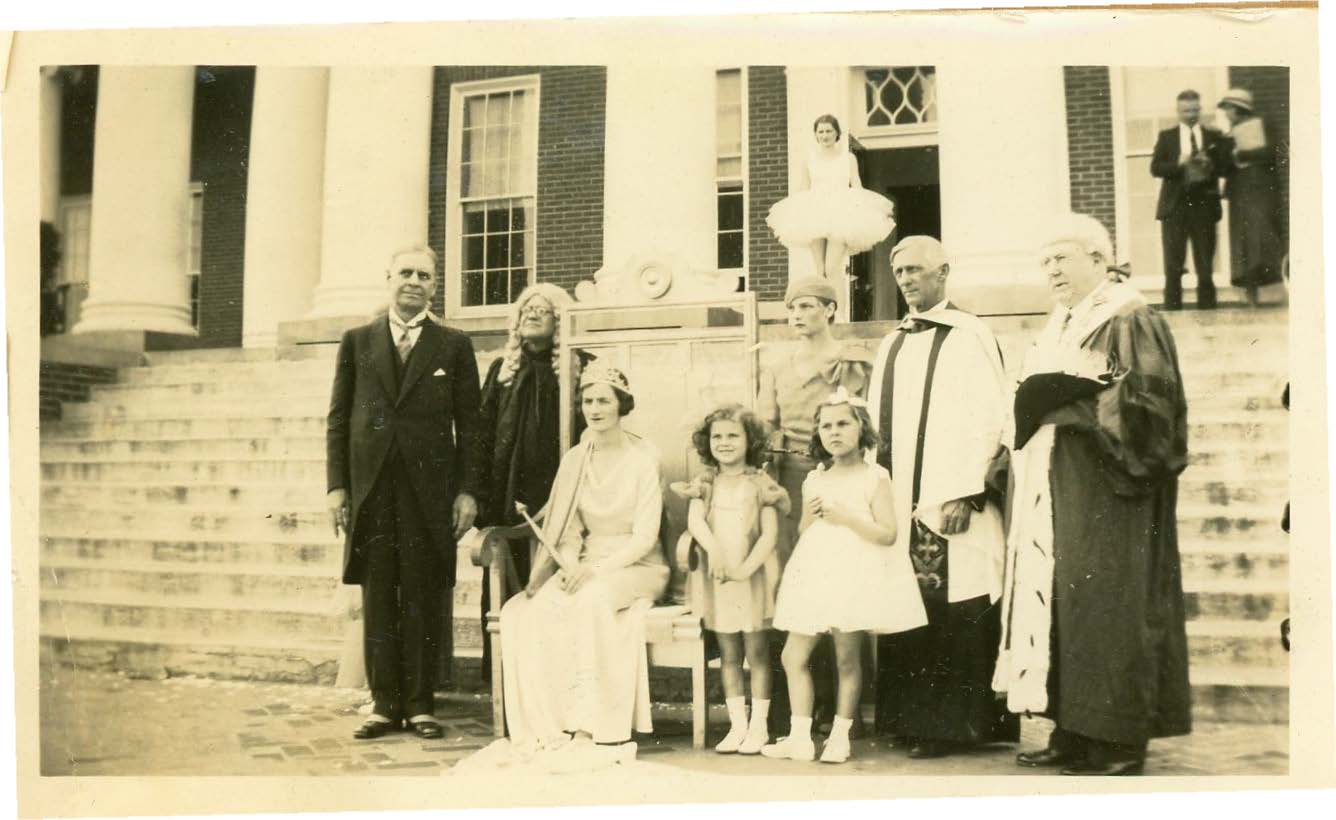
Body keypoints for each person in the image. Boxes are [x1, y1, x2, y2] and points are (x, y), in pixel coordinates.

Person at [995, 213, 1191, 776]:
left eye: (1063, 257)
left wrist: (1068, 406)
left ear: (1100, 261)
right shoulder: (1062, 322)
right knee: (1062, 601)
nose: (1051, 269)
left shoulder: (1128, 317)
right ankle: (1073, 729)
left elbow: (1150, 411)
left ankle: (1119, 740)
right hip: (1058, 486)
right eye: (1045, 261)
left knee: (1109, 605)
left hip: (1111, 488)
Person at [867, 236, 1018, 759]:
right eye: (898, 271)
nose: (906, 279)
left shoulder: (969, 335)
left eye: (915, 270)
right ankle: (911, 720)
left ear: (943, 272)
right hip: (902, 497)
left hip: (952, 499)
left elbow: (991, 416)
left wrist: (966, 492)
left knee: (956, 604)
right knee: (908, 605)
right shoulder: (893, 342)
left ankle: (955, 725)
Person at [326, 245, 482, 741]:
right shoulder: (357, 341)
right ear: (387, 278)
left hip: (427, 493)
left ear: (435, 286)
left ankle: (419, 704)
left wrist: (467, 492)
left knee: (420, 592)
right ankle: (383, 703)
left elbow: (472, 427)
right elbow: (337, 418)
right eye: (405, 273)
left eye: (425, 275)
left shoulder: (453, 344)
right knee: (377, 595)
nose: (414, 281)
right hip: (372, 490)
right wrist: (336, 487)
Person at [498, 363, 670, 754]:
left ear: (621, 405)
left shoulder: (644, 459)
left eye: (604, 401)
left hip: (637, 566)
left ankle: (590, 725)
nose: (595, 409)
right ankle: (553, 723)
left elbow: (645, 538)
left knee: (590, 602)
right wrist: (571, 564)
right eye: (588, 401)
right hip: (585, 562)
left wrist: (592, 572)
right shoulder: (576, 459)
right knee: (541, 607)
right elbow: (570, 528)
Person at [762, 389, 926, 764]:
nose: (833, 432)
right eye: (825, 426)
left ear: (861, 428)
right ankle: (800, 736)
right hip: (815, 570)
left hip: (853, 572)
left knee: (847, 658)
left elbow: (888, 533)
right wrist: (814, 514)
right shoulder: (815, 479)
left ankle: (840, 735)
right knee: (792, 655)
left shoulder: (875, 476)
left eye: (842, 424)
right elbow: (805, 528)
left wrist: (847, 517)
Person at [756, 276, 870, 737]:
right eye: (793, 308)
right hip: (787, 482)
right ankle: (800, 706)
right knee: (794, 586)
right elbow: (765, 422)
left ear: (830, 309)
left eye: (807, 306)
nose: (798, 315)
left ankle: (845, 711)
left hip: (833, 477)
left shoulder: (848, 358)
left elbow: (858, 417)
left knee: (839, 583)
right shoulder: (778, 364)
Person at [672, 405, 789, 755]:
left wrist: (746, 568)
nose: (724, 442)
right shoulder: (706, 484)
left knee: (757, 653)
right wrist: (717, 554)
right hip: (718, 578)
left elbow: (769, 535)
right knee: (728, 654)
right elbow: (696, 523)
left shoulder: (761, 483)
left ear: (749, 440)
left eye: (733, 435)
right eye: (717, 436)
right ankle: (737, 726)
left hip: (751, 578)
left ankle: (759, 726)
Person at [475, 283, 573, 681]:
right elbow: (481, 435)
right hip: (507, 496)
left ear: (559, 321)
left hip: (558, 494)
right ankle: (506, 674)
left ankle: (553, 676)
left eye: (544, 310)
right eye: (526, 309)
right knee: (506, 583)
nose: (532, 315)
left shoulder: (574, 365)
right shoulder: (502, 371)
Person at [766, 114, 896, 282]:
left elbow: (857, 185)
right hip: (816, 213)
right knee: (820, 270)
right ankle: (825, 306)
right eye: (820, 132)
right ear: (816, 135)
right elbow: (804, 187)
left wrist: (864, 209)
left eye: (828, 131)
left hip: (840, 213)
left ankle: (838, 309)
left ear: (837, 134)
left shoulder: (848, 158)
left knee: (832, 268)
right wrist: (796, 211)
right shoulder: (809, 159)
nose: (824, 135)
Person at [1151, 89, 1230, 310]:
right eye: (1186, 110)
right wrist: (1179, 163)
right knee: (1173, 264)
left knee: (1205, 263)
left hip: (1204, 205)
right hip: (1175, 206)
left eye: (1195, 109)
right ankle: (1172, 312)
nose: (1191, 114)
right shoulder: (1167, 137)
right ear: (1177, 111)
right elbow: (1155, 168)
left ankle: (1208, 312)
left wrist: (1210, 163)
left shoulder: (1213, 136)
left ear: (1200, 109)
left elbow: (1225, 167)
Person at [1217, 87, 1285, 306]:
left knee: (1263, 238)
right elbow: (1224, 167)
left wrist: (1241, 154)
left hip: (1261, 191)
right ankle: (1251, 298)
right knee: (1243, 244)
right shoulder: (1228, 136)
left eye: (1229, 109)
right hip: (1240, 194)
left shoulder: (1264, 127)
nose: (1227, 114)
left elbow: (1274, 152)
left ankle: (1279, 293)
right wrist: (1225, 151)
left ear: (1239, 109)